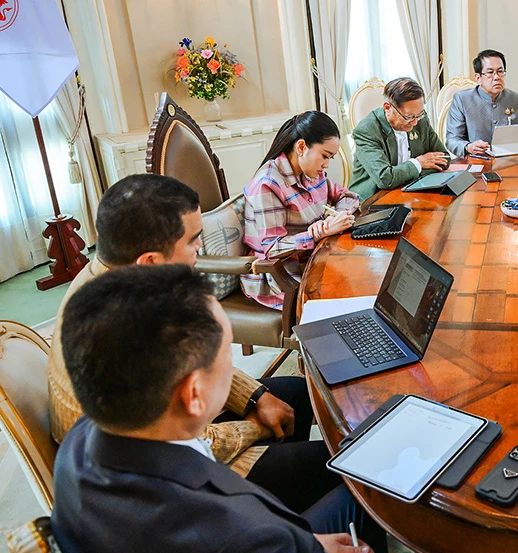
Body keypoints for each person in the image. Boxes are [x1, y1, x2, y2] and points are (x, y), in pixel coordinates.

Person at [47, 173, 345, 514]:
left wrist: (257, 397)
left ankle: (283, 506)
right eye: (193, 241)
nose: (200, 249)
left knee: (293, 395)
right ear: (150, 260)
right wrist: (253, 427)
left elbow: (197, 366)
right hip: (153, 480)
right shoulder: (120, 328)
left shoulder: (126, 280)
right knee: (335, 469)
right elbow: (180, 443)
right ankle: (268, 515)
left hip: (165, 432)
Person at [50, 264, 386, 553]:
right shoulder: (240, 533)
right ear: (195, 393)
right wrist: (311, 546)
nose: (234, 371)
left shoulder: (80, 440)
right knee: (365, 490)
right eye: (227, 356)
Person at [243, 111, 359, 309]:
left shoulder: (312, 173)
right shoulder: (268, 184)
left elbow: (348, 196)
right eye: (325, 156)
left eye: (330, 158)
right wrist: (318, 233)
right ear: (301, 147)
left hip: (314, 259)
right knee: (345, 300)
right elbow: (272, 249)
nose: (326, 165)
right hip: (280, 276)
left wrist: (339, 215)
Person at [350, 77, 451, 200]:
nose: (415, 122)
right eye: (409, 117)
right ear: (388, 108)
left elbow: (444, 159)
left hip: (412, 193)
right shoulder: (367, 130)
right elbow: (385, 179)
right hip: (374, 199)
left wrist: (402, 175)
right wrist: (419, 163)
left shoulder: (420, 120)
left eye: (419, 115)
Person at [445, 49, 518, 156]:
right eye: (490, 72)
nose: (497, 77)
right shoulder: (462, 100)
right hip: (477, 160)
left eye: (500, 71)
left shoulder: (516, 99)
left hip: (509, 159)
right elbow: (452, 140)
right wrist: (468, 147)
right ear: (478, 78)